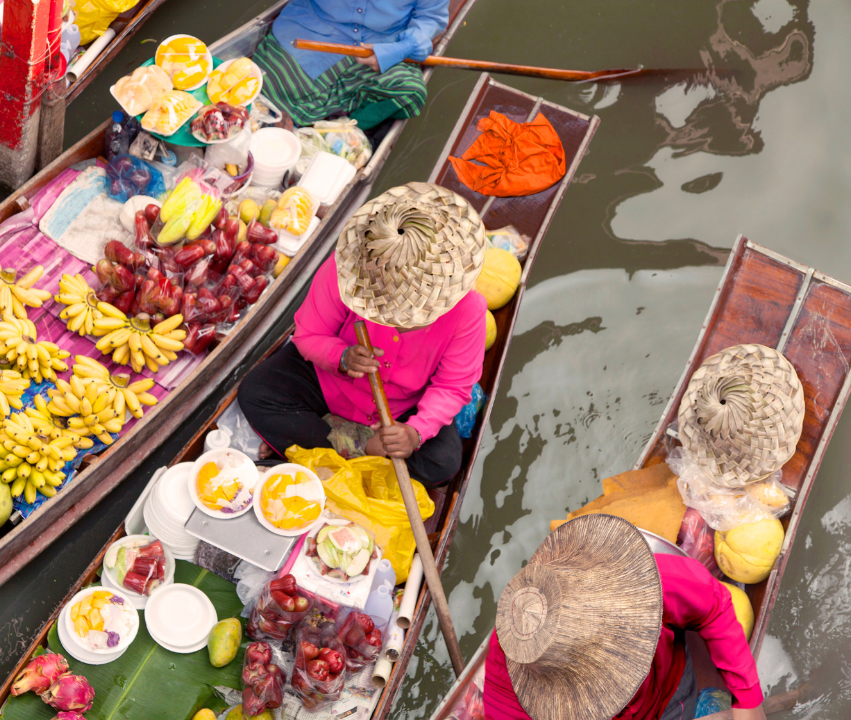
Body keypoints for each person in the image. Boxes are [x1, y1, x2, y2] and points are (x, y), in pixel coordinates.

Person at [238, 182, 487, 486]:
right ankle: (360, 448)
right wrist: (340, 357)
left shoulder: (469, 309)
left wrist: (414, 432)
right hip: (331, 386)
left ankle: (321, 444)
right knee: (256, 393)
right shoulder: (348, 269)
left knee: (442, 464)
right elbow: (308, 335)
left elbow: (453, 386)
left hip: (402, 409)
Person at [484, 513, 767, 720]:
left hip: (669, 685)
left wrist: (748, 700)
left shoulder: (635, 583)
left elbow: (713, 603)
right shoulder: (511, 686)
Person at [252, 0, 449, 130]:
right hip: (313, 27)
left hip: (382, 42)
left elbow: (430, 18)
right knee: (266, 81)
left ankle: (341, 132)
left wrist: (405, 46)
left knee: (410, 90)